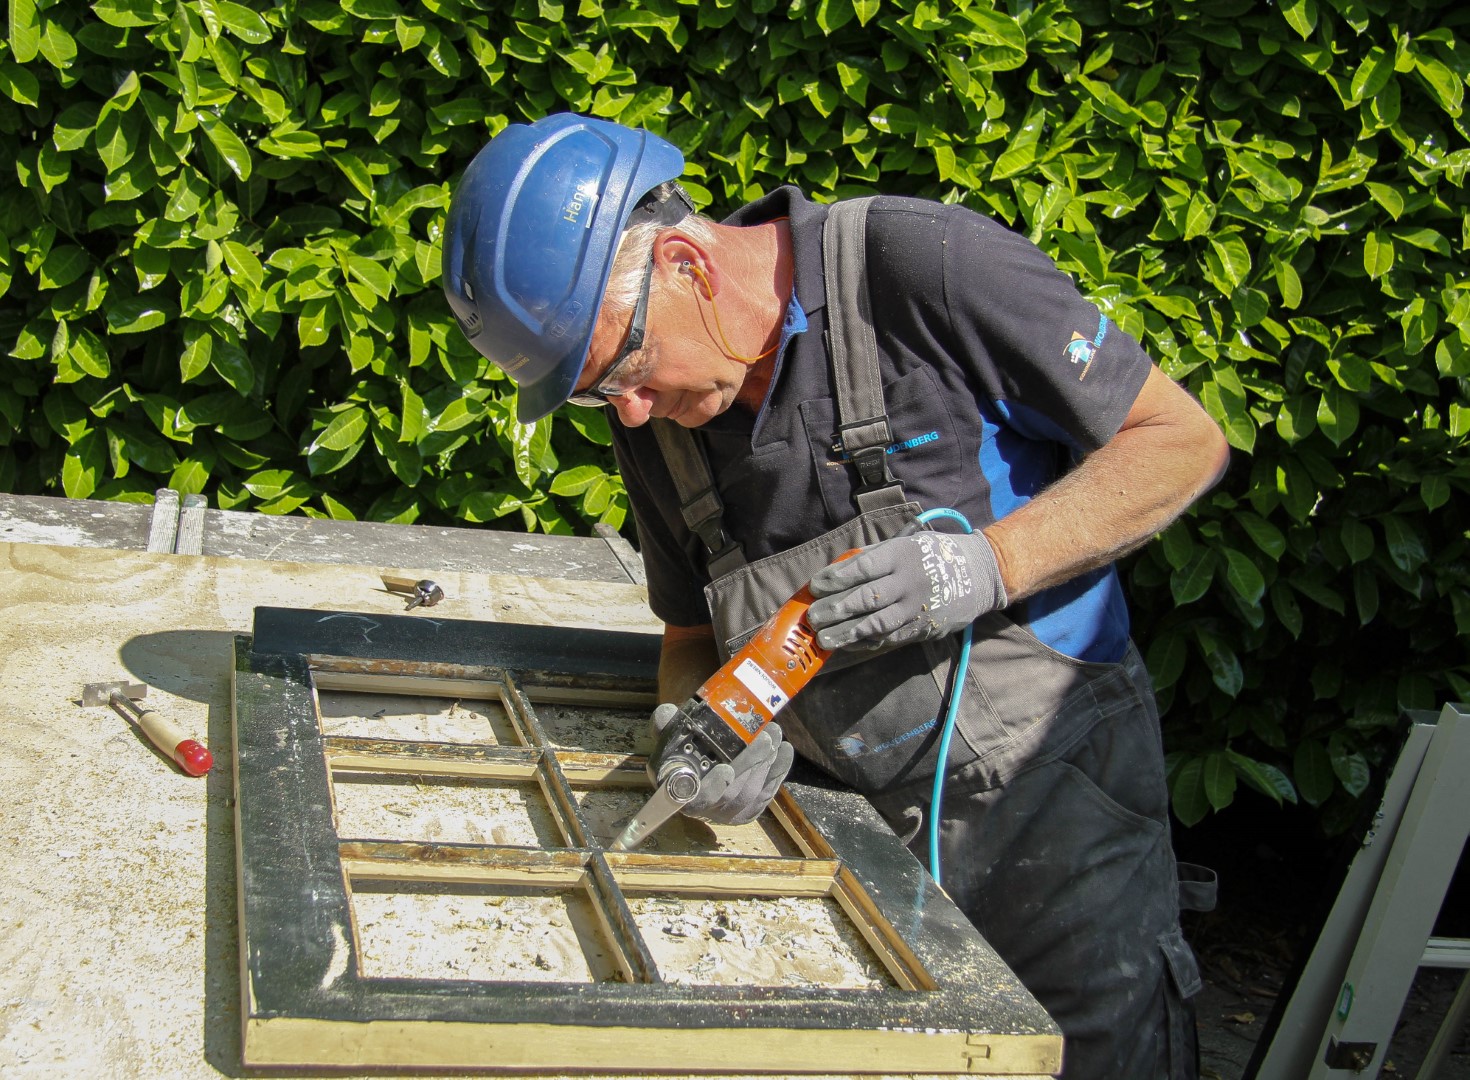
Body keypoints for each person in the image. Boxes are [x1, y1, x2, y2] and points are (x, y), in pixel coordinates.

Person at [443, 112, 1231, 1080]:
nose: (631, 412)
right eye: (596, 395)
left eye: (627, 367)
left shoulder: (919, 267)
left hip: (1060, 817)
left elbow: (1182, 442)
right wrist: (695, 721)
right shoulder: (655, 431)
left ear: (687, 261)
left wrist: (979, 567)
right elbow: (690, 629)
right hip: (862, 856)